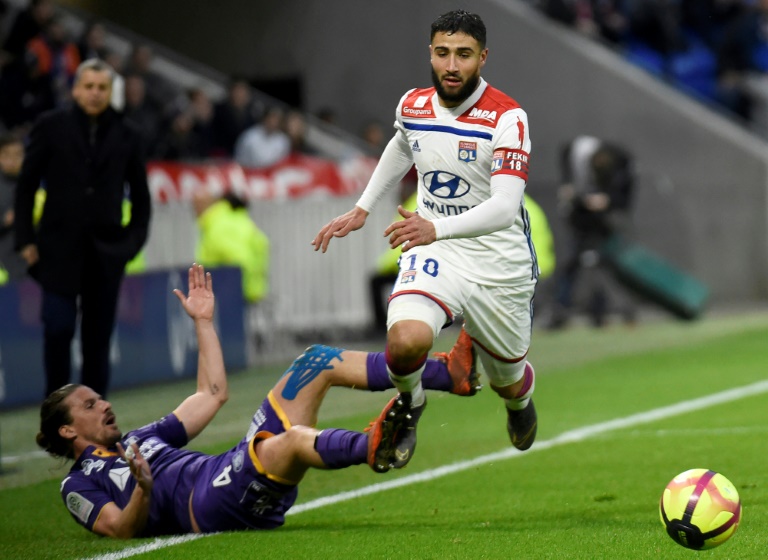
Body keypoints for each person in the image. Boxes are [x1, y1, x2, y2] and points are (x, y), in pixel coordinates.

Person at [36, 264, 481, 538]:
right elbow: (118, 528)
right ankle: (374, 446)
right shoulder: (77, 485)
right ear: (66, 429)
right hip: (206, 504)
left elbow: (212, 394)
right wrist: (144, 490)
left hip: (225, 471)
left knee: (315, 361)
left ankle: (449, 374)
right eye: (89, 405)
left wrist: (203, 322)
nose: (104, 405)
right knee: (290, 442)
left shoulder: (141, 439)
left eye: (99, 399)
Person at [312, 10, 539, 473]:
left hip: (498, 262)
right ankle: (410, 405)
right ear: (430, 53)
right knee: (405, 341)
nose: (451, 66)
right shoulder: (412, 105)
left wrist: (435, 227)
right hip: (437, 250)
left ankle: (518, 402)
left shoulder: (508, 118)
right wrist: (363, 207)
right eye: (442, 53)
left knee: (508, 381)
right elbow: (403, 144)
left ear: (483, 57)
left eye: (463, 55)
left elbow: (504, 206)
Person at [14, 58, 151, 398]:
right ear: (75, 89)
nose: (95, 93)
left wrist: (131, 243)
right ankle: (57, 412)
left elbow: (141, 196)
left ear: (110, 91)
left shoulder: (128, 133)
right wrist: (25, 239)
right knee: (57, 329)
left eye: (102, 87)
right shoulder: (50, 126)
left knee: (97, 341)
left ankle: (94, 415)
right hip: (57, 251)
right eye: (88, 86)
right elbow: (26, 185)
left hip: (107, 253)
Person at [548, 135, 636, 329]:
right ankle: (560, 311)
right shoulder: (577, 152)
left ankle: (604, 311)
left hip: (602, 222)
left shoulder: (619, 165)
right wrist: (568, 189)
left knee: (605, 266)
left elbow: (623, 196)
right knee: (572, 264)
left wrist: (607, 201)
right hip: (580, 220)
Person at [0, 133, 26, 283]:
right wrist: (5, 220)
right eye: (7, 155)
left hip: (29, 266)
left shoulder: (34, 184)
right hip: (4, 268)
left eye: (18, 154)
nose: (13, 160)